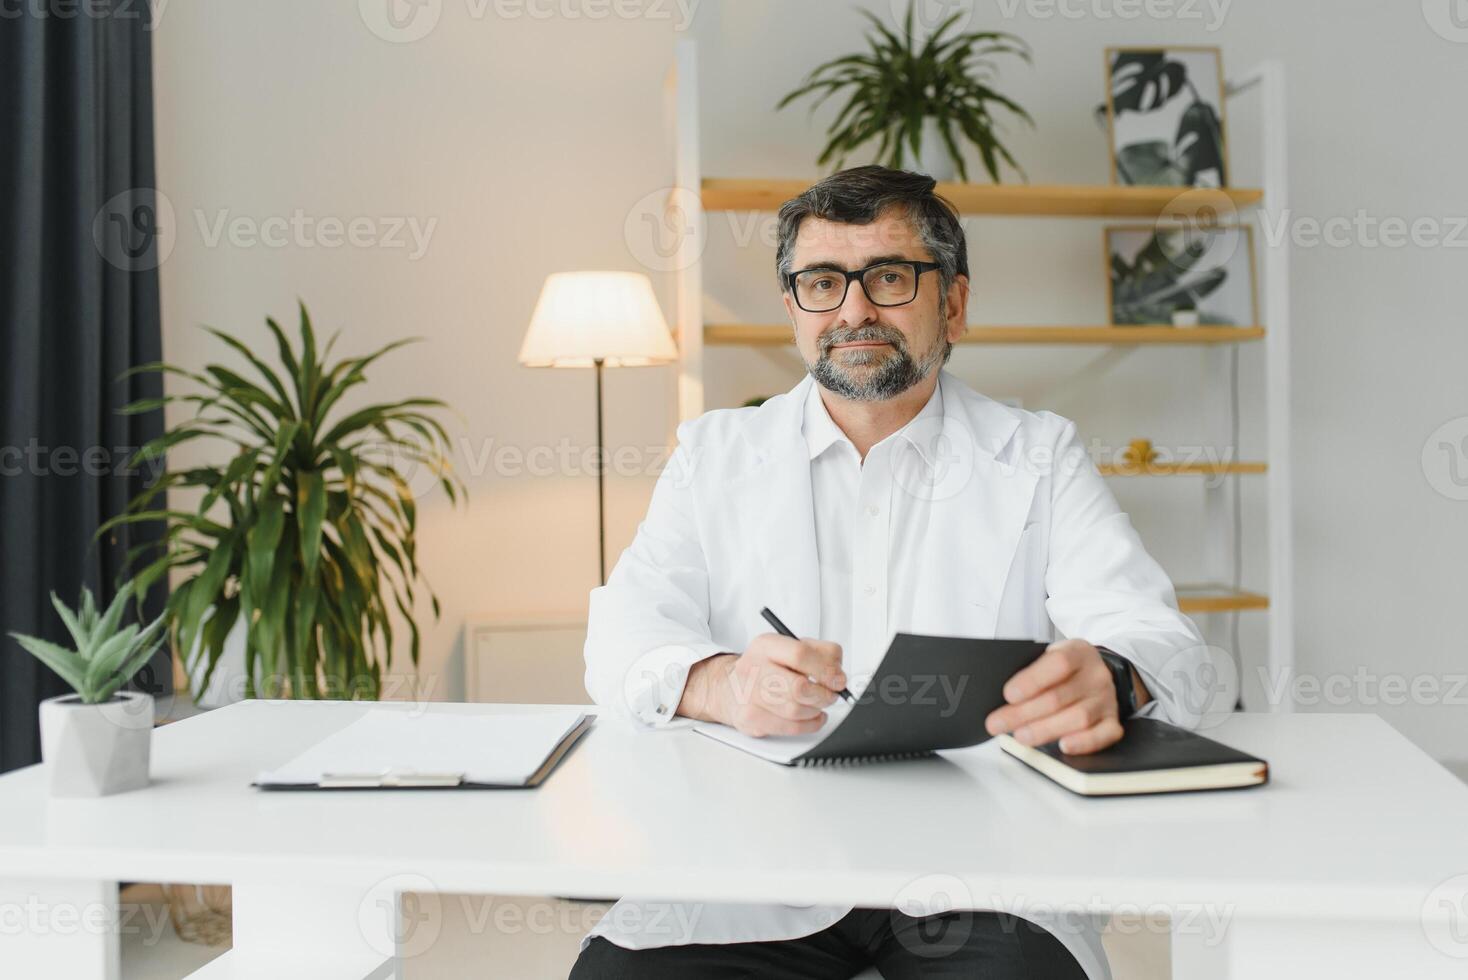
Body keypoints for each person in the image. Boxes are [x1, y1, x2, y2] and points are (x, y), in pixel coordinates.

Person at [572, 165, 1234, 979]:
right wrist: (721, 684)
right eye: (822, 282)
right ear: (793, 310)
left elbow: (1163, 641)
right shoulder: (714, 456)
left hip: (980, 870)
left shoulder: (1038, 455)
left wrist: (1112, 676)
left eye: (889, 277)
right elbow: (619, 643)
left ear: (952, 304)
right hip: (749, 863)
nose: (853, 310)